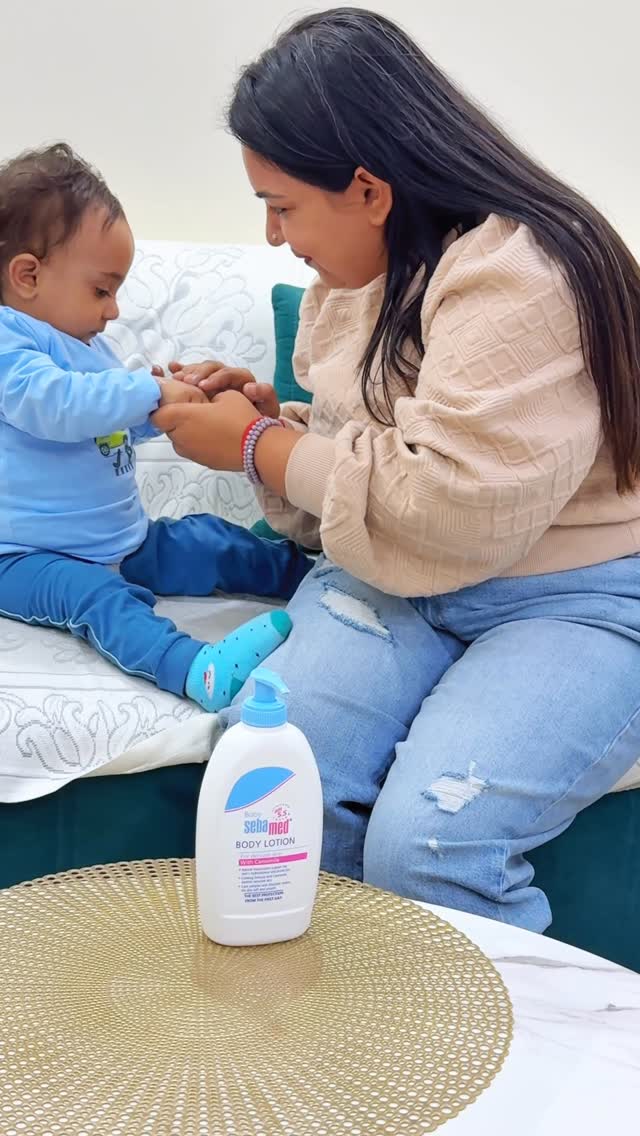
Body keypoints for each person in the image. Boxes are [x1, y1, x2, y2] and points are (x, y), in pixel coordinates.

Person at [153, 8, 640, 930]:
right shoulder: (364, 281)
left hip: (572, 593)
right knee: (281, 789)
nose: (272, 234)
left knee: (428, 845)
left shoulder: (527, 273)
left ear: (370, 190)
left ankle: (491, 1028)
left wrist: (256, 447)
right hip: (397, 581)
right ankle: (328, 1005)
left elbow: (448, 505)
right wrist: (269, 424)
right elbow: (372, 460)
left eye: (282, 205)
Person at [0, 144, 312, 713]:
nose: (113, 310)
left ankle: (312, 579)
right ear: (27, 276)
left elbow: (106, 425)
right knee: (100, 600)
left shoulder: (87, 347)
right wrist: (146, 394)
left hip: (122, 539)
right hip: (29, 558)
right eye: (102, 290)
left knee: (208, 541)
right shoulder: (9, 341)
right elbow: (53, 404)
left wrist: (179, 405)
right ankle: (196, 670)